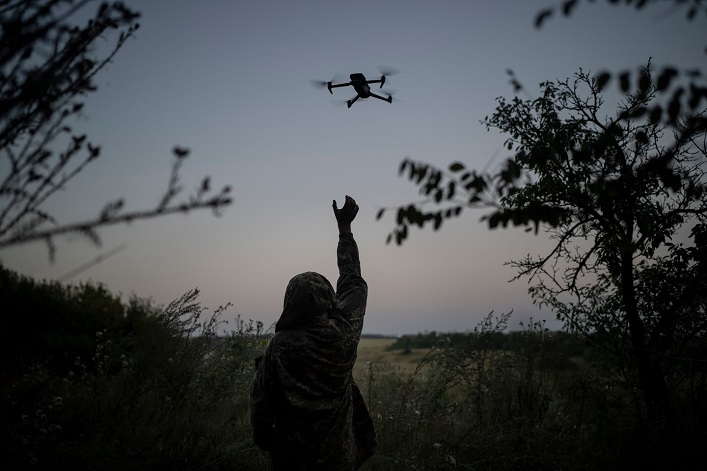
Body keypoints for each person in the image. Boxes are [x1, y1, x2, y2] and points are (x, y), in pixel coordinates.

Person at [249, 195, 377, 470]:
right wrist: (345, 231)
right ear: (328, 300)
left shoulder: (279, 347)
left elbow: (261, 402)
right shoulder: (344, 334)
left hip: (289, 460)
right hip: (337, 459)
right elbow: (352, 281)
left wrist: (264, 439)